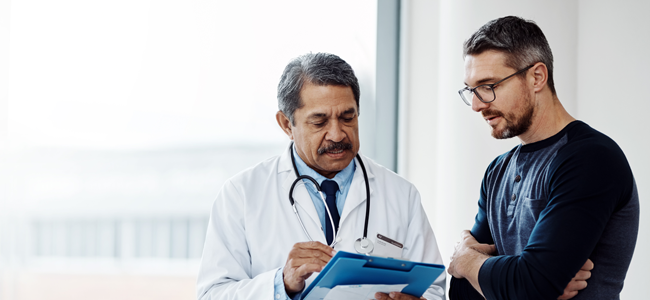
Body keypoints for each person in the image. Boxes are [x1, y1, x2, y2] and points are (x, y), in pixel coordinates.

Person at [197, 52, 445, 300]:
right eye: (319, 122)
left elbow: (434, 288)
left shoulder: (401, 194)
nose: (337, 134)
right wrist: (281, 283)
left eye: (348, 118)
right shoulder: (241, 194)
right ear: (286, 124)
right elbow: (212, 294)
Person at [447, 16, 639, 300]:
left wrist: (467, 261)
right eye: (471, 90)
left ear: (537, 77)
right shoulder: (497, 172)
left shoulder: (592, 159)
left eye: (488, 86)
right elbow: (462, 291)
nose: (477, 105)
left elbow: (531, 283)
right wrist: (522, 280)